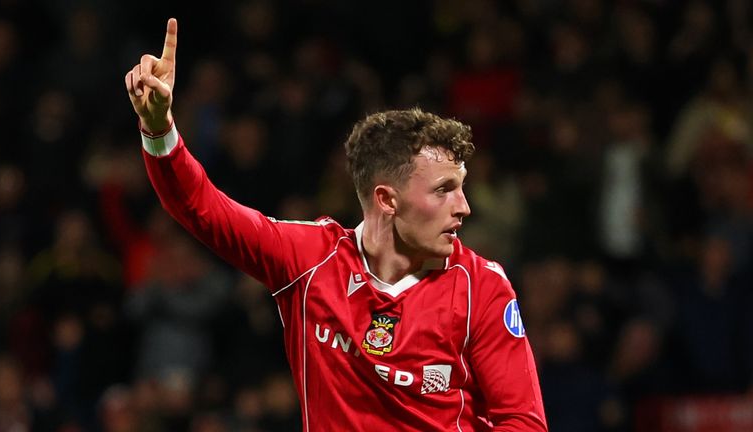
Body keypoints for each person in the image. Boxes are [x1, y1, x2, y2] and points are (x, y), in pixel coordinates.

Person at [124, 18, 547, 431]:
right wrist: (159, 127)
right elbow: (200, 207)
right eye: (444, 190)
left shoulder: (482, 287)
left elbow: (523, 421)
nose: (464, 207)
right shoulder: (310, 260)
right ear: (387, 200)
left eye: (462, 187)